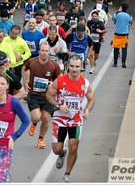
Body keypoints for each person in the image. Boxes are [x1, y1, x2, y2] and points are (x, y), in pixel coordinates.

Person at [45, 54, 95, 183]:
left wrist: (87, 110)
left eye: (77, 67)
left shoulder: (85, 83)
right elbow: (49, 95)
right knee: (56, 149)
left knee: (74, 146)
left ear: (81, 67)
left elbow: (91, 100)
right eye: (71, 66)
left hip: (76, 120)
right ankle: (62, 154)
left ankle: (67, 174)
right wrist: (58, 105)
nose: (74, 69)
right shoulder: (60, 81)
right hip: (59, 118)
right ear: (67, 65)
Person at [22, 43, 62, 149]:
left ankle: (40, 139)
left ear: (49, 52)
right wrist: (25, 82)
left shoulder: (54, 65)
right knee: (36, 117)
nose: (44, 53)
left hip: (47, 96)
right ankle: (34, 123)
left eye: (46, 51)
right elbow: (23, 69)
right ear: (39, 51)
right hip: (34, 94)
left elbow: (60, 78)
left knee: (46, 119)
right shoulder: (32, 62)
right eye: (42, 51)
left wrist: (53, 84)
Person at [111, 3, 133, 68]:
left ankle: (115, 63)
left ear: (121, 7)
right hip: (125, 34)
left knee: (116, 48)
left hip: (117, 33)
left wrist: (118, 11)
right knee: (124, 49)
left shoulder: (117, 14)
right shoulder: (129, 15)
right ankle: (123, 62)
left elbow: (113, 19)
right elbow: (131, 22)